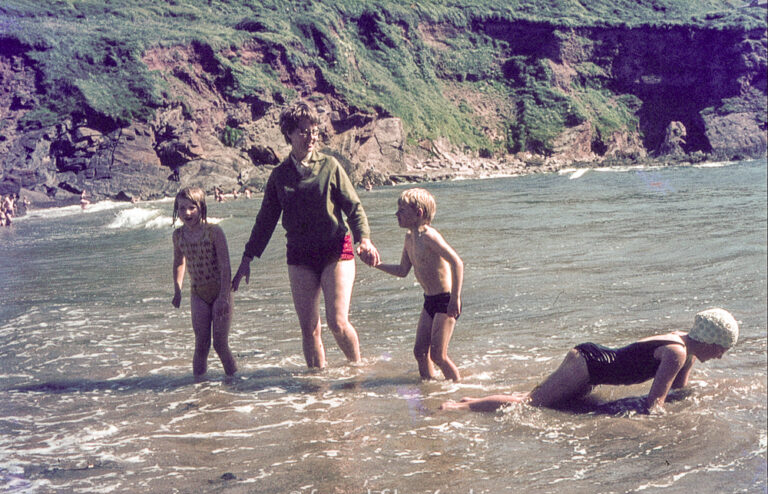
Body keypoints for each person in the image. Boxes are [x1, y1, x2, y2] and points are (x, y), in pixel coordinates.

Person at [231, 101, 380, 369]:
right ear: (288, 133)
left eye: (314, 131)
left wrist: (364, 239)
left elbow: (354, 207)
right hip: (299, 255)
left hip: (337, 249)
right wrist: (247, 257)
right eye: (303, 131)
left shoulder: (330, 166)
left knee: (337, 322)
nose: (311, 137)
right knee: (310, 330)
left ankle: (358, 370)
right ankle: (317, 395)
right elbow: (265, 221)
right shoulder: (279, 176)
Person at [441, 308, 738, 413]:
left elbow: (676, 393)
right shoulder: (677, 353)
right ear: (710, 340)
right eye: (723, 348)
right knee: (532, 404)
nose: (722, 355)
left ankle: (472, 401)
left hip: (591, 361)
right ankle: (455, 407)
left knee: (542, 401)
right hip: (590, 363)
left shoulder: (686, 348)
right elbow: (654, 404)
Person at [374, 188, 464, 381]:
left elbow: (457, 262)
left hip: (445, 300)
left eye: (402, 210)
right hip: (429, 301)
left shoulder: (429, 236)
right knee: (420, 352)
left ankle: (458, 388)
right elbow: (402, 270)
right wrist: (377, 264)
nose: (396, 214)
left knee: (438, 355)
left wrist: (455, 298)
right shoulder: (409, 238)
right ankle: (430, 390)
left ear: (419, 213)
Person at [172, 187, 237, 377]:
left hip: (221, 290)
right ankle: (199, 386)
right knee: (201, 343)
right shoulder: (178, 236)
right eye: (182, 208)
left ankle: (234, 381)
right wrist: (178, 290)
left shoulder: (214, 232)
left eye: (191, 207)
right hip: (197, 293)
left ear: (201, 207)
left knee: (219, 344)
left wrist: (224, 297)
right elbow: (178, 263)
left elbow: (226, 266)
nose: (187, 213)